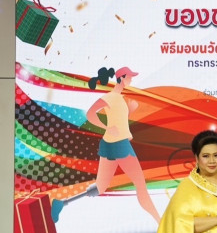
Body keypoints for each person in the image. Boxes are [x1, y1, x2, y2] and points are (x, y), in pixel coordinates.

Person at [51, 66, 161, 224]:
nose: (131, 79)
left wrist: (129, 111)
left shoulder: (119, 99)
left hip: (109, 145)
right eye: (129, 77)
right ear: (121, 78)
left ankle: (61, 203)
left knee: (100, 187)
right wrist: (107, 128)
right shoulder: (111, 97)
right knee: (140, 186)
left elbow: (118, 121)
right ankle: (161, 223)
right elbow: (90, 113)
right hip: (120, 146)